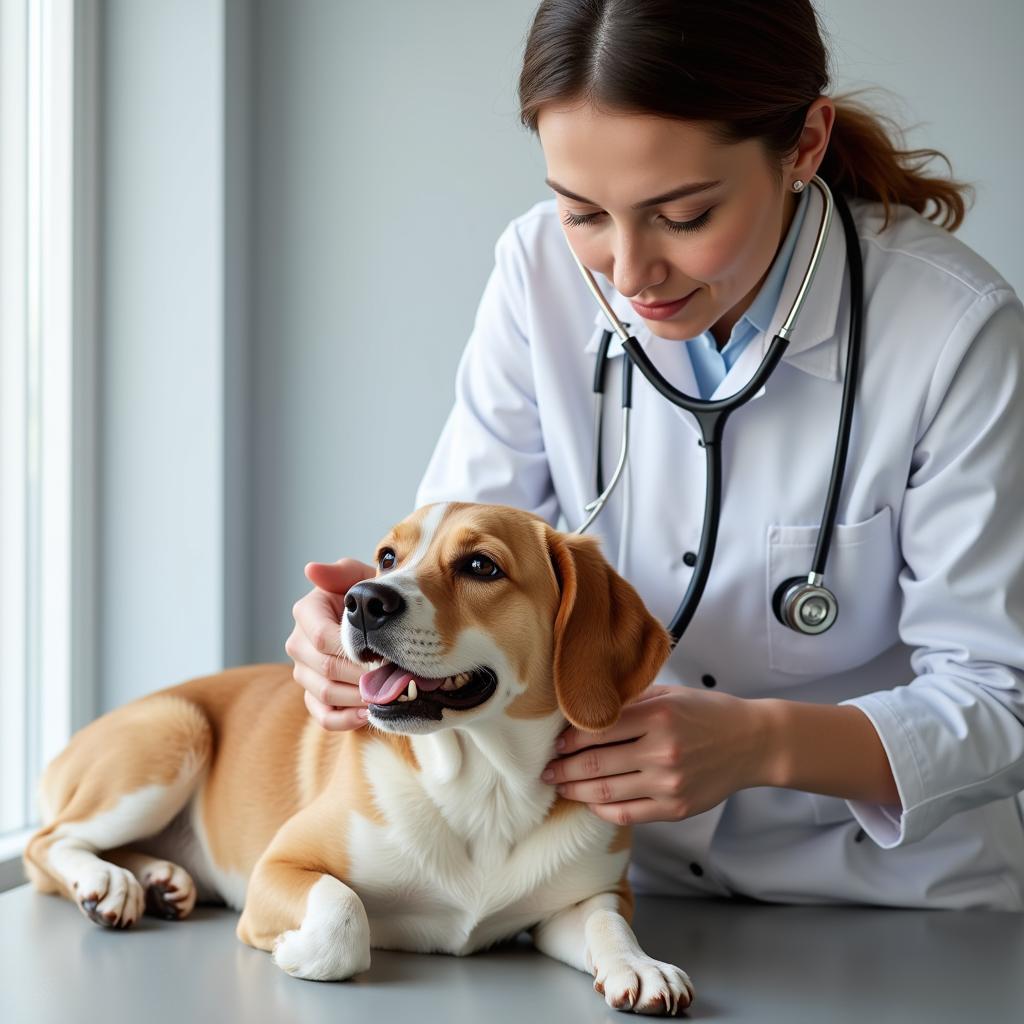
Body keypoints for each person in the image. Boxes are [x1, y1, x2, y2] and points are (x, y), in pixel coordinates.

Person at [286, 0, 1024, 910]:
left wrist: (765, 745)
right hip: (604, 889)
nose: (630, 274)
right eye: (584, 212)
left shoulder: (955, 331)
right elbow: (460, 553)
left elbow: (1003, 697)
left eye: (683, 215)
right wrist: (371, 642)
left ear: (804, 144)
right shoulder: (537, 273)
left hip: (890, 901)